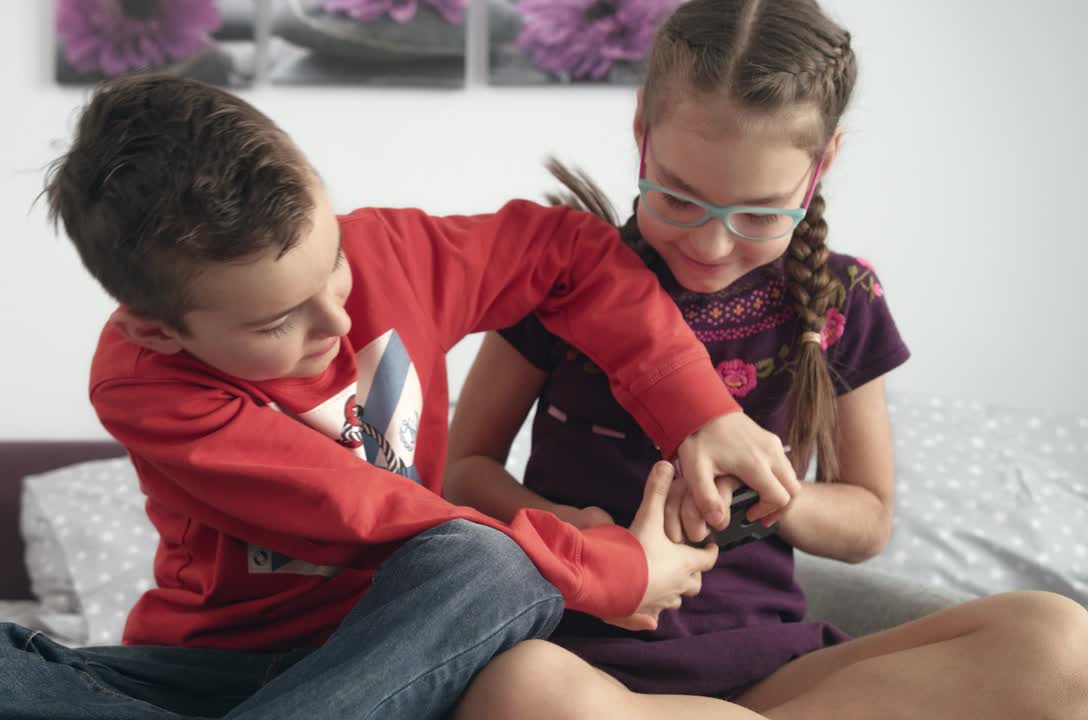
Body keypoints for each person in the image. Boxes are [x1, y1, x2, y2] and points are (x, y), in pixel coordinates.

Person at [0, 73, 799, 720]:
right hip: (211, 672)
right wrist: (616, 570)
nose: (338, 317)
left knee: (484, 565)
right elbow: (371, 511)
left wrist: (702, 410)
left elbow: (572, 255)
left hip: (418, 656)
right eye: (281, 319)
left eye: (336, 270)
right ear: (159, 328)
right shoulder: (144, 380)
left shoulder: (392, 253)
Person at [446, 1, 1088, 718]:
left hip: (775, 671)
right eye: (681, 199)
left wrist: (776, 497)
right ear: (641, 131)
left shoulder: (843, 298)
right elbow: (460, 468)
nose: (713, 246)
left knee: (1059, 640)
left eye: (757, 214)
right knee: (523, 690)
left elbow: (867, 520)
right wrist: (570, 532)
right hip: (584, 665)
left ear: (824, 164)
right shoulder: (557, 279)